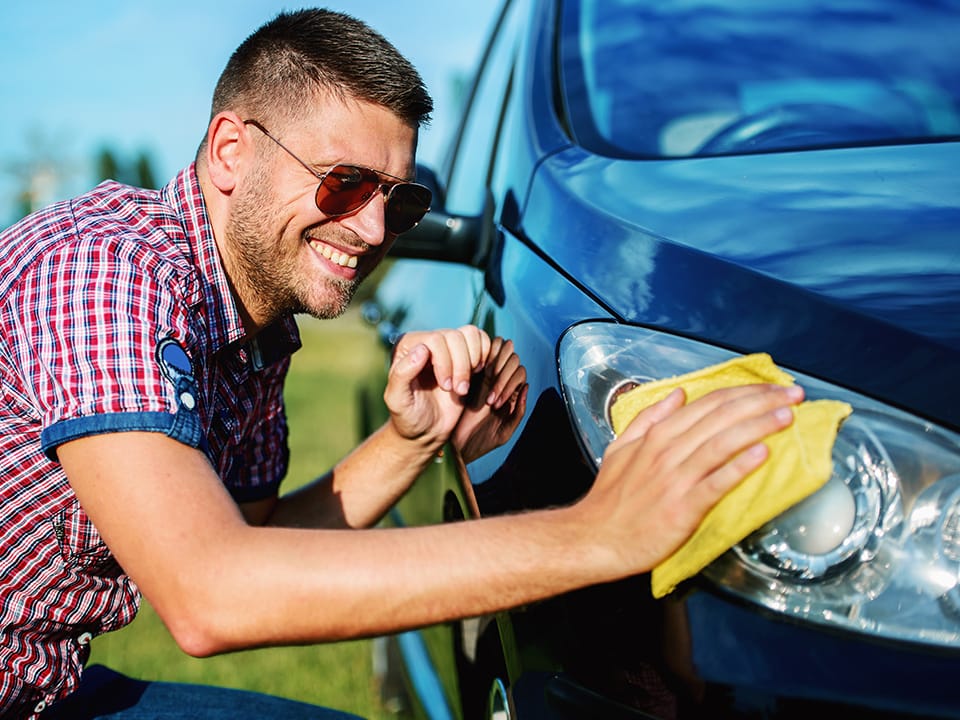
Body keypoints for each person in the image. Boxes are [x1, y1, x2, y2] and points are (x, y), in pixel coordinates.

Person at [0, 8, 803, 719]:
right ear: (230, 152)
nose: (377, 229)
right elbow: (211, 593)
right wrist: (601, 532)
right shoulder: (104, 271)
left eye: (402, 198)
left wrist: (412, 441)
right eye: (346, 184)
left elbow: (255, 536)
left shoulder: (253, 322)